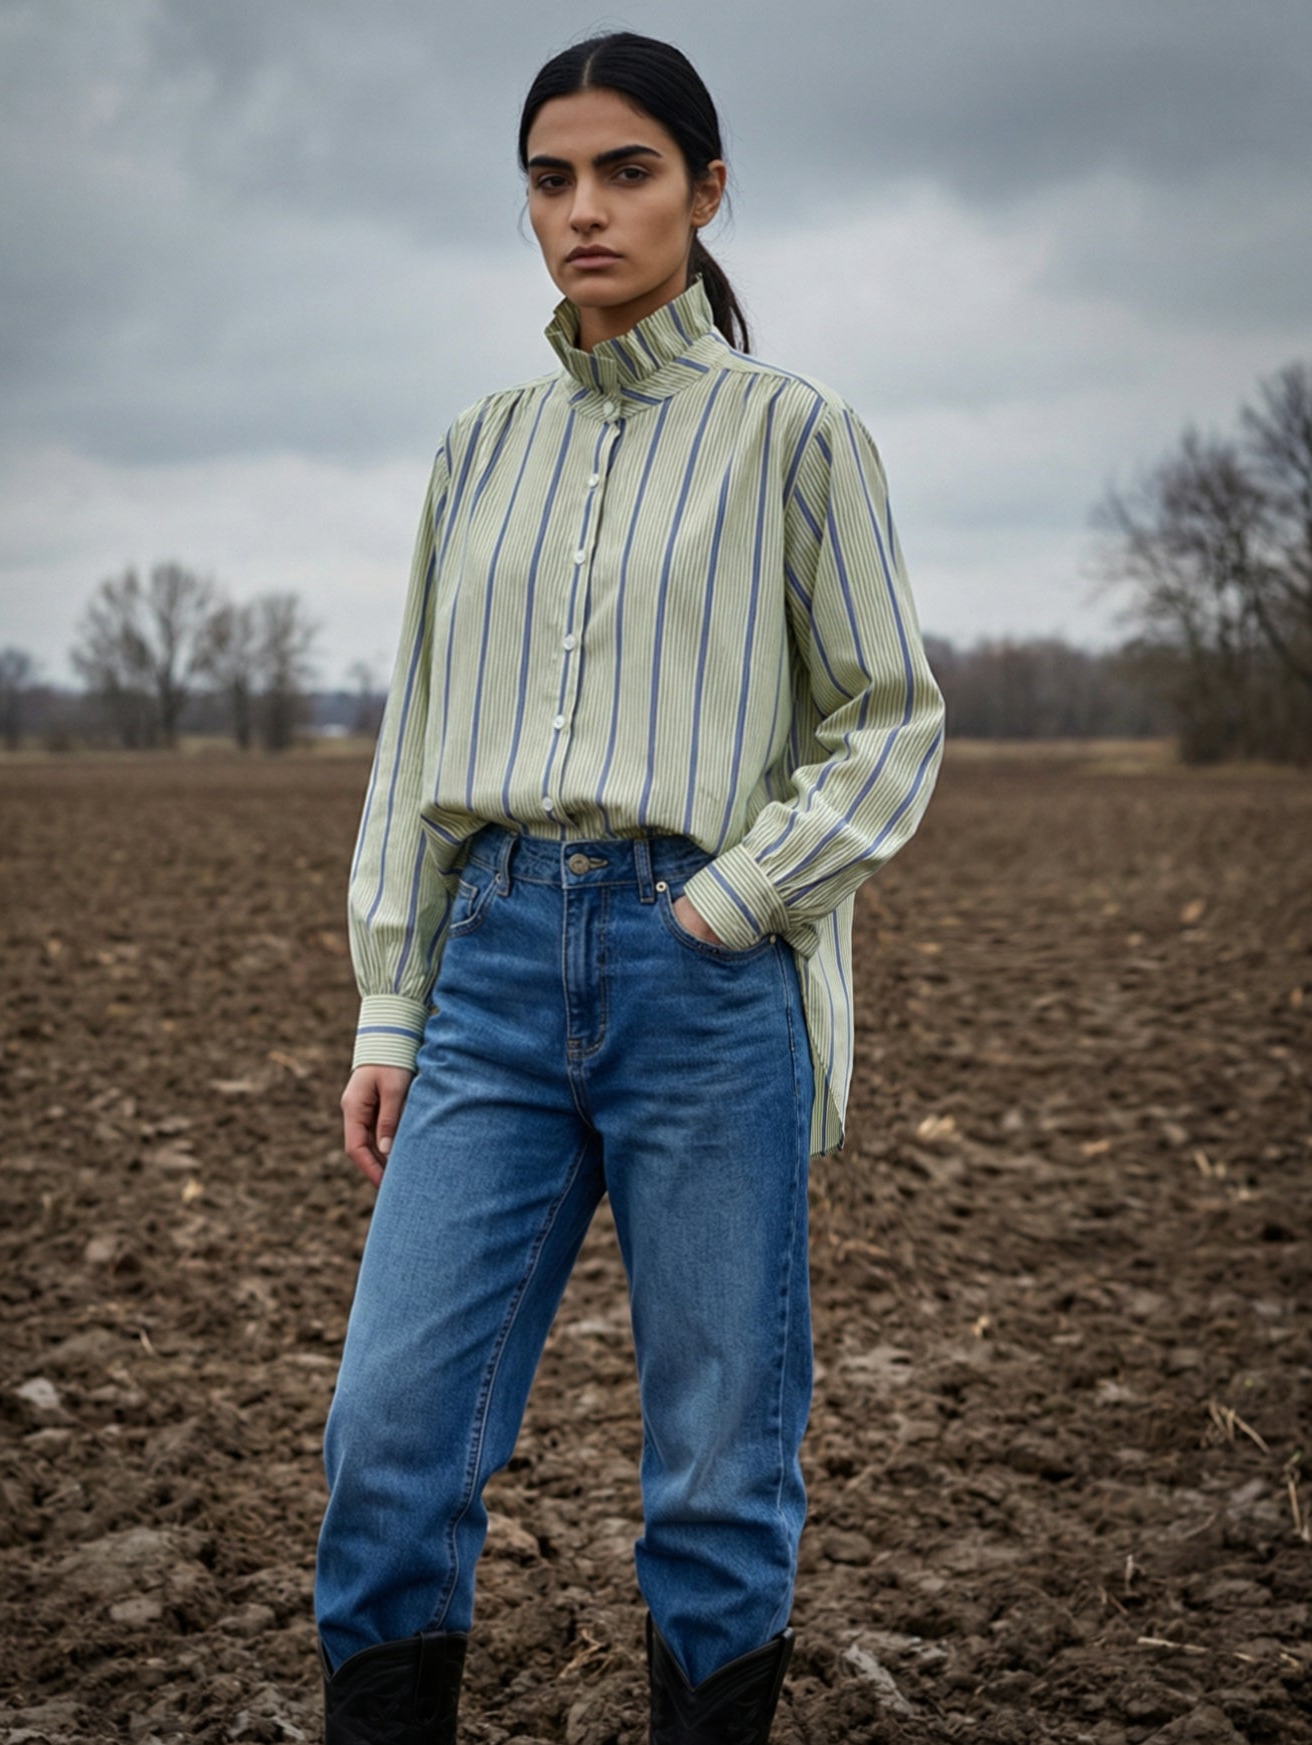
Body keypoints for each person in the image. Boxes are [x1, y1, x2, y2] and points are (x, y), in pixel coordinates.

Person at [316, 30, 945, 1745]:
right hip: (493, 975)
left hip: (703, 981)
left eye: (625, 171)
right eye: (549, 177)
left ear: (706, 190)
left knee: (716, 1465)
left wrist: (729, 904)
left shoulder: (794, 436)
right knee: (388, 1431)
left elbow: (889, 720)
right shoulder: (477, 449)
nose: (582, 209)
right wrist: (393, 998)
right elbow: (416, 745)